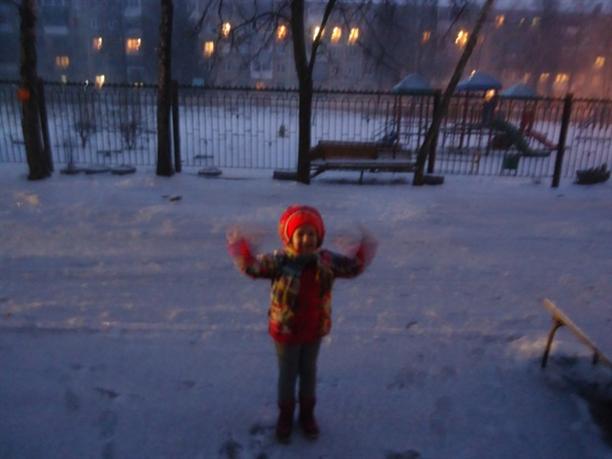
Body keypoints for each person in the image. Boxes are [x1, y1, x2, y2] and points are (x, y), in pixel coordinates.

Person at [227, 205, 377, 443]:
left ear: (319, 236)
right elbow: (252, 267)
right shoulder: (280, 261)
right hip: (285, 331)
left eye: (311, 233)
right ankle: (285, 415)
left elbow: (352, 268)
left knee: (308, 373)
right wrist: (240, 247)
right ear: (289, 237)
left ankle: (307, 414)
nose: (306, 239)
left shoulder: (325, 261)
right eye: (300, 234)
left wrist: (364, 247)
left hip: (314, 329)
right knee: (288, 375)